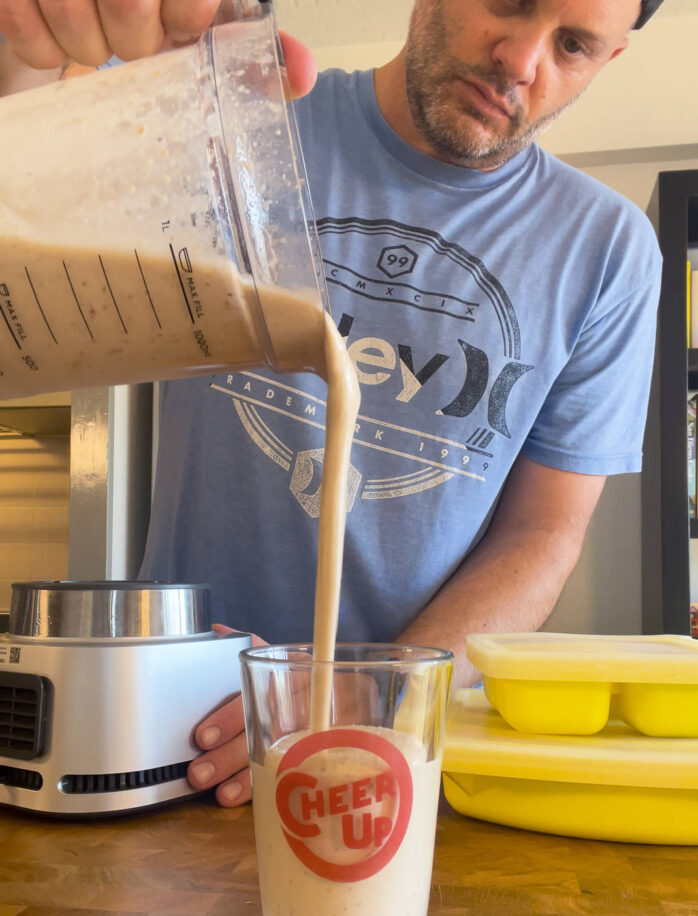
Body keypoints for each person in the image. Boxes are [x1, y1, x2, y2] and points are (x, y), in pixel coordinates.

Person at [0, 0, 666, 806]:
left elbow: (544, 532)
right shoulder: (240, 117)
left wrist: (360, 703)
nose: (522, 61)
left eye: (573, 45)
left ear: (610, 60)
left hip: (393, 755)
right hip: (165, 720)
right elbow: (26, 153)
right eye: (510, 2)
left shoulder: (608, 251)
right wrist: (24, 50)